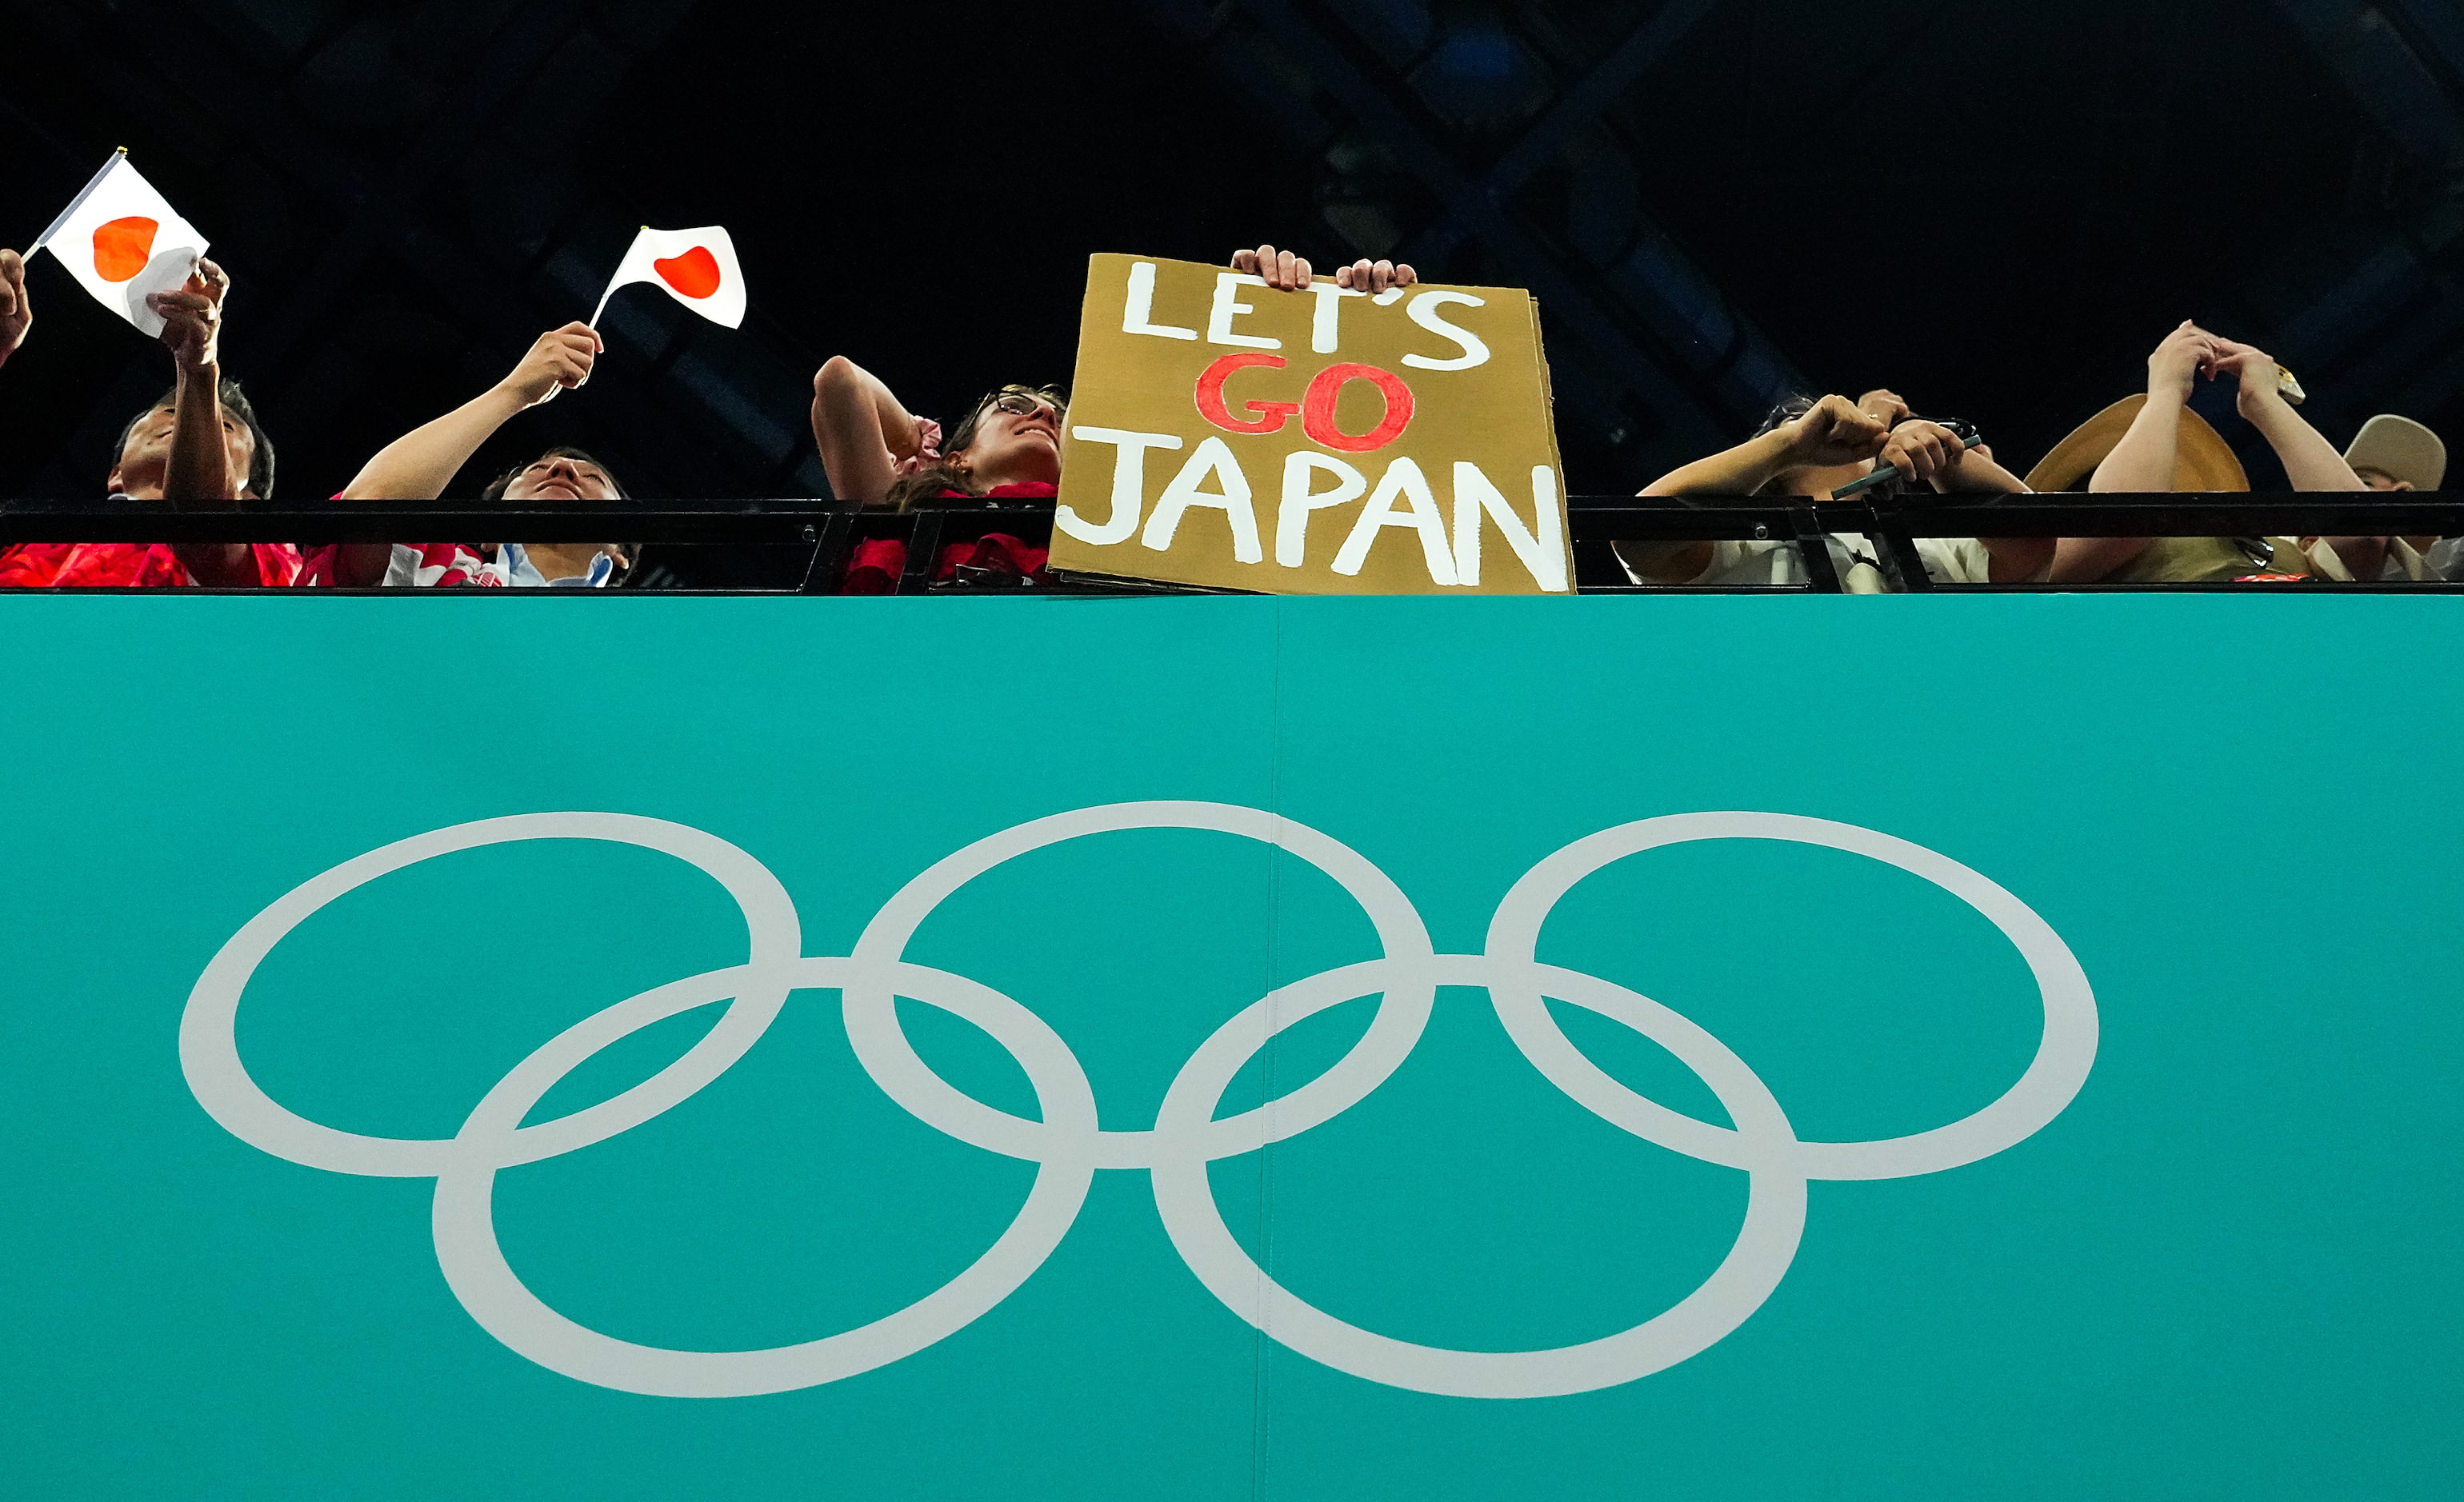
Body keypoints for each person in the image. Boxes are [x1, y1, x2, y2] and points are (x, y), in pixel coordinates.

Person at [0, 254, 297, 588]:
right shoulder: (30, 549)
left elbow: (205, 539)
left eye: (224, 427)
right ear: (116, 475)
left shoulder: (270, 555)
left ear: (250, 501)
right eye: (169, 412)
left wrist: (198, 367)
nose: (177, 421)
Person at [303, 324, 632, 587]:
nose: (560, 469)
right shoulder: (437, 572)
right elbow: (367, 509)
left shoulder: (644, 636)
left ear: (621, 553)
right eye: (534, 470)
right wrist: (514, 391)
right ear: (488, 534)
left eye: (593, 478)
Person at [1618, 389, 2053, 587]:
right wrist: (1787, 446)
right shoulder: (1741, 543)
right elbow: (1638, 536)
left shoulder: (1936, 539)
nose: (1830, 433)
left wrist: (1929, 445)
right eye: (1805, 424)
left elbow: (2034, 540)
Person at [2050, 322, 2361, 582]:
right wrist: (2166, 391)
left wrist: (2264, 403)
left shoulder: (2286, 548)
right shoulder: (2042, 564)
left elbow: (2361, 535)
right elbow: (2125, 517)